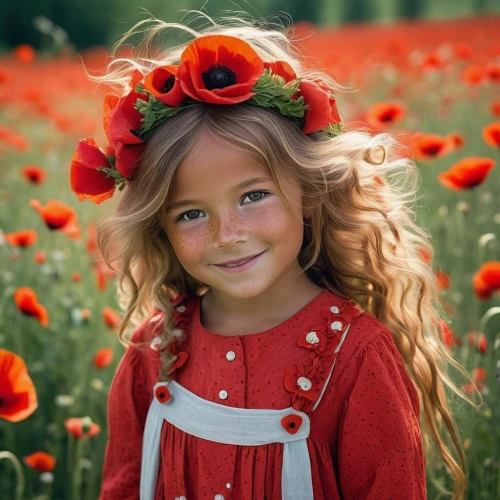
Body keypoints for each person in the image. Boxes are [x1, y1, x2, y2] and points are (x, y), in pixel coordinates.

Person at [70, 10, 471, 500]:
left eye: (253, 196)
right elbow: (123, 485)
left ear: (308, 191)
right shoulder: (155, 351)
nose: (227, 234)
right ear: (160, 228)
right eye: (190, 214)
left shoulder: (356, 355)